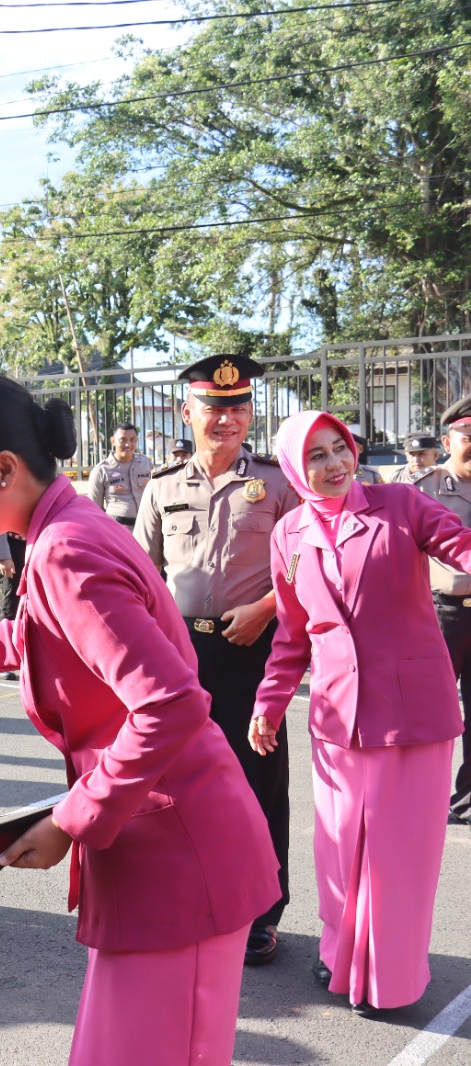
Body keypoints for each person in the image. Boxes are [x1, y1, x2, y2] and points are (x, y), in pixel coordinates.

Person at [0, 373, 279, 1066]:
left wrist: (70, 821)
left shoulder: (65, 549)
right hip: (160, 849)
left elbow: (170, 703)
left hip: (177, 857)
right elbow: (64, 641)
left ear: (4, 470)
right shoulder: (65, 530)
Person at [250, 411, 471, 1014]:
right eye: (316, 455)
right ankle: (341, 956)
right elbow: (294, 636)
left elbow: (459, 545)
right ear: (297, 467)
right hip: (337, 719)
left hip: (413, 719)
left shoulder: (402, 505)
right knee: (338, 849)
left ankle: (391, 980)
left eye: (340, 449)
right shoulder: (289, 532)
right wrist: (269, 704)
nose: (333, 465)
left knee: (399, 859)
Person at [134, 353, 301, 967]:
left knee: (259, 779)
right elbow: (140, 573)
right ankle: (198, 893)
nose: (226, 418)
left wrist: (263, 608)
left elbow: (308, 567)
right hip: (181, 652)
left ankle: (264, 911)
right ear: (188, 412)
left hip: (253, 650)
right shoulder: (161, 487)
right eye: (213, 407)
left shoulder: (278, 484)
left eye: (237, 407)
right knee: (180, 779)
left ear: (250, 412)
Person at [403, 400, 471, 824]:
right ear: (448, 442)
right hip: (439, 614)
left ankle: (467, 800)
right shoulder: (423, 488)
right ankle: (418, 796)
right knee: (429, 711)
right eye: (469, 438)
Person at [86, 422, 153, 529]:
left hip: (146, 528)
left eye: (132, 440)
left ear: (137, 440)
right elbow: (95, 509)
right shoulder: (101, 471)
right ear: (113, 441)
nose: (128, 445)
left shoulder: (146, 463)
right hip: (118, 530)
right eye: (123, 440)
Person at [0, 532, 26, 681]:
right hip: (13, 546)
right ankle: (2, 660)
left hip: (36, 542)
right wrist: (2, 555)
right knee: (9, 604)